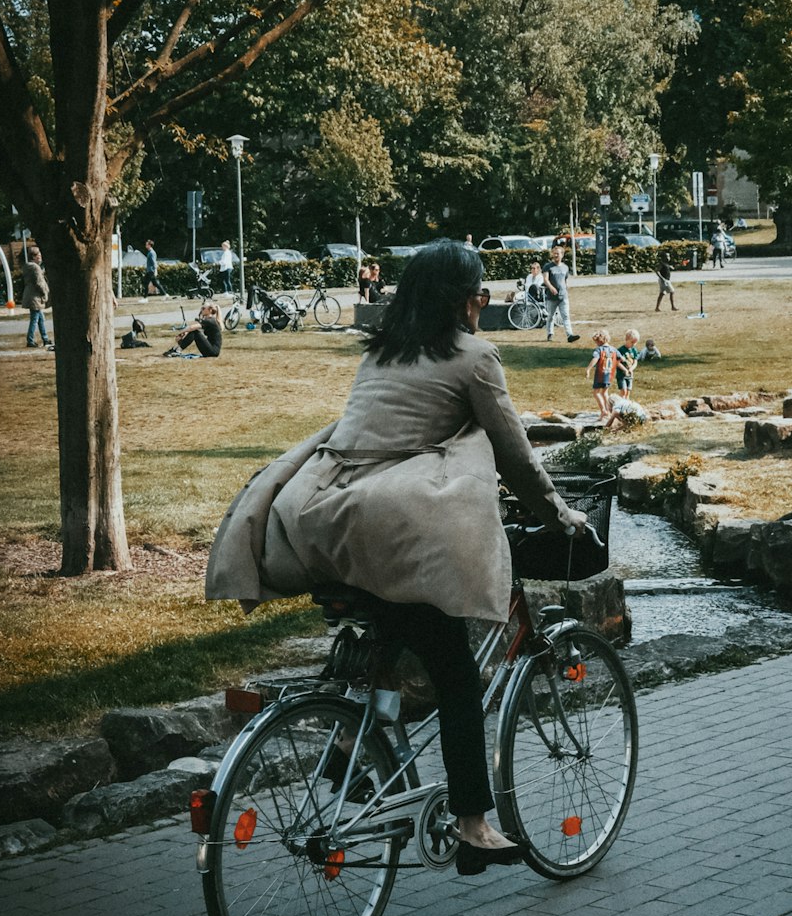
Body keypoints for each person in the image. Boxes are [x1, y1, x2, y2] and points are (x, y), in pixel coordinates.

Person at [206, 239, 587, 874]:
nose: (482, 304)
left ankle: (354, 752)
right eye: (480, 294)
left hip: (320, 520)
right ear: (465, 301)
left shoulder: (381, 352)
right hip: (386, 528)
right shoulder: (475, 356)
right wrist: (558, 513)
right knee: (457, 673)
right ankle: (472, 824)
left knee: (392, 635)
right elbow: (515, 454)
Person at [541, 246, 579, 342]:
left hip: (563, 296)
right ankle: (550, 333)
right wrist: (551, 287)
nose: (556, 255)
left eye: (558, 253)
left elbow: (565, 280)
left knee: (565, 316)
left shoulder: (565, 267)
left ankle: (569, 335)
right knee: (550, 316)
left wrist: (566, 287)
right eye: (554, 253)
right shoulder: (548, 266)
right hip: (551, 297)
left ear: (562, 255)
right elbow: (545, 279)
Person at [21, 247, 52, 350]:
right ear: (33, 257)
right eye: (39, 255)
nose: (40, 257)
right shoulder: (35, 268)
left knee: (40, 318)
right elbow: (39, 282)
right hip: (35, 296)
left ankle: (45, 338)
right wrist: (45, 292)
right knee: (35, 319)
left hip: (30, 295)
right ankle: (30, 339)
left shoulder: (27, 267)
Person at [586, 329, 617, 424]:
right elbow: (620, 358)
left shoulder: (599, 350)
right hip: (609, 375)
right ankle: (609, 410)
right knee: (605, 393)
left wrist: (588, 369)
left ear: (599, 341)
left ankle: (603, 411)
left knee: (596, 393)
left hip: (600, 375)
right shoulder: (613, 349)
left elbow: (595, 358)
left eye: (596, 342)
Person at [616, 329, 641, 395]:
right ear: (626, 339)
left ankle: (627, 404)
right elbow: (617, 363)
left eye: (635, 343)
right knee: (623, 391)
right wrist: (624, 370)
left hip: (630, 375)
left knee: (628, 391)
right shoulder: (620, 350)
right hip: (621, 375)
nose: (633, 344)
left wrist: (631, 369)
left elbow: (635, 362)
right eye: (632, 342)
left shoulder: (634, 350)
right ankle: (621, 404)